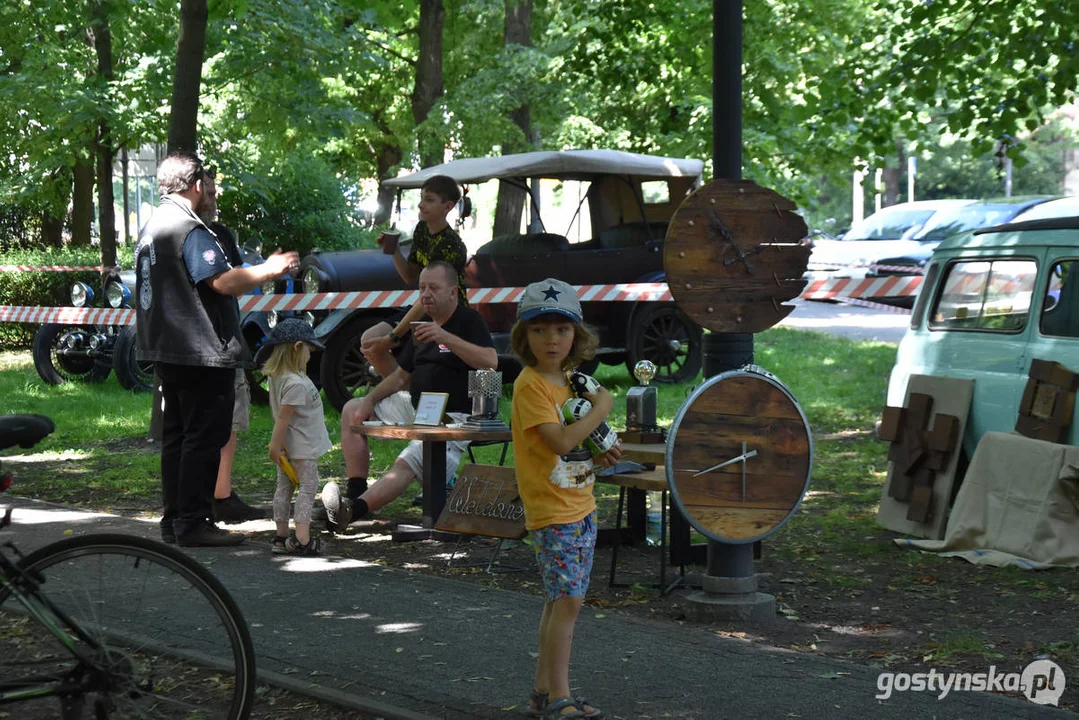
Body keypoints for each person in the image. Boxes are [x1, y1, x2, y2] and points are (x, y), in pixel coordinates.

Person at [135, 151, 298, 547]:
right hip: (201, 351)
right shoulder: (188, 229)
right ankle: (193, 522)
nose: (211, 192)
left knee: (177, 437)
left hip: (166, 350)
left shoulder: (153, 226)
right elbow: (221, 281)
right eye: (206, 185)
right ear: (194, 185)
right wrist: (270, 269)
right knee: (203, 438)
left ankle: (174, 520)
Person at [510, 278, 621, 719]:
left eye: (561, 329)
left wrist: (600, 455)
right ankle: (560, 698)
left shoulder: (572, 382)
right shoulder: (532, 385)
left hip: (581, 506)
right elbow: (557, 442)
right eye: (539, 329)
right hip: (553, 512)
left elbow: (575, 448)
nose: (551, 339)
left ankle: (543, 692)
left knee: (560, 601)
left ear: (577, 335)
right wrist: (602, 407)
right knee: (570, 603)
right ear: (524, 336)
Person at [322, 260, 496, 529]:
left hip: (455, 417)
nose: (425, 294)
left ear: (452, 292)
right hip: (420, 408)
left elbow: (490, 362)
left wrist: (445, 337)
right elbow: (402, 375)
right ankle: (354, 491)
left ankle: (353, 511)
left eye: (433, 288)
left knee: (409, 460)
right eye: (422, 288)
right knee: (351, 410)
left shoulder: (468, 321)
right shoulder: (423, 323)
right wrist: (369, 400)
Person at [359, 175, 469, 382]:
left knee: (393, 348)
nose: (420, 204)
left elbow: (432, 298)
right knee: (370, 340)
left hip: (449, 315)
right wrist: (393, 251)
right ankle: (407, 394)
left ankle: (411, 394)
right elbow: (410, 275)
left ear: (447, 206)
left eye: (429, 199)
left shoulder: (451, 246)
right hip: (425, 308)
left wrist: (392, 337)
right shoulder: (421, 230)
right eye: (421, 197)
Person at [204, 221, 267, 524]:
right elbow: (231, 283)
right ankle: (220, 497)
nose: (212, 199)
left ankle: (213, 494)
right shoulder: (204, 235)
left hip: (206, 346)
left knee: (213, 428)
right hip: (219, 347)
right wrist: (270, 269)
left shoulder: (175, 233)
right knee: (223, 425)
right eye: (210, 192)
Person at [258, 318, 332, 555]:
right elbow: (283, 418)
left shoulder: (278, 376)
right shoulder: (295, 383)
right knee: (309, 487)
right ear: (297, 347)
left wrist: (279, 448)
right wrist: (274, 446)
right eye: (309, 349)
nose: (311, 354)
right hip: (302, 446)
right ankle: (302, 538)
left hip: (290, 447)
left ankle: (281, 536)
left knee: (284, 488)